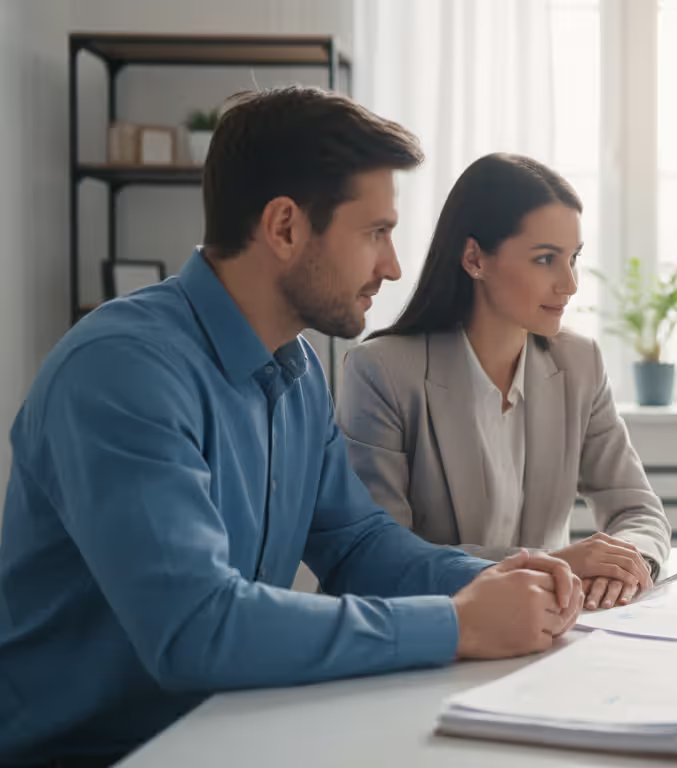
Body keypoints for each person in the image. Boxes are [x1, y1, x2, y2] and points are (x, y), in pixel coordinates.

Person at [0, 87, 583, 767]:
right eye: (376, 233)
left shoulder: (297, 366)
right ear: (284, 228)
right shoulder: (122, 371)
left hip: (231, 731)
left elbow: (357, 544)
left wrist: (497, 576)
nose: (393, 266)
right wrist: (457, 623)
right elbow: (197, 627)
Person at [338, 153, 670, 612]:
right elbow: (382, 559)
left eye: (572, 258)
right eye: (545, 259)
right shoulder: (382, 372)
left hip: (552, 630)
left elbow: (637, 510)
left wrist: (628, 565)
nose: (569, 283)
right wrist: (550, 563)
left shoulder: (579, 363)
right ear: (474, 258)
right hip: (432, 634)